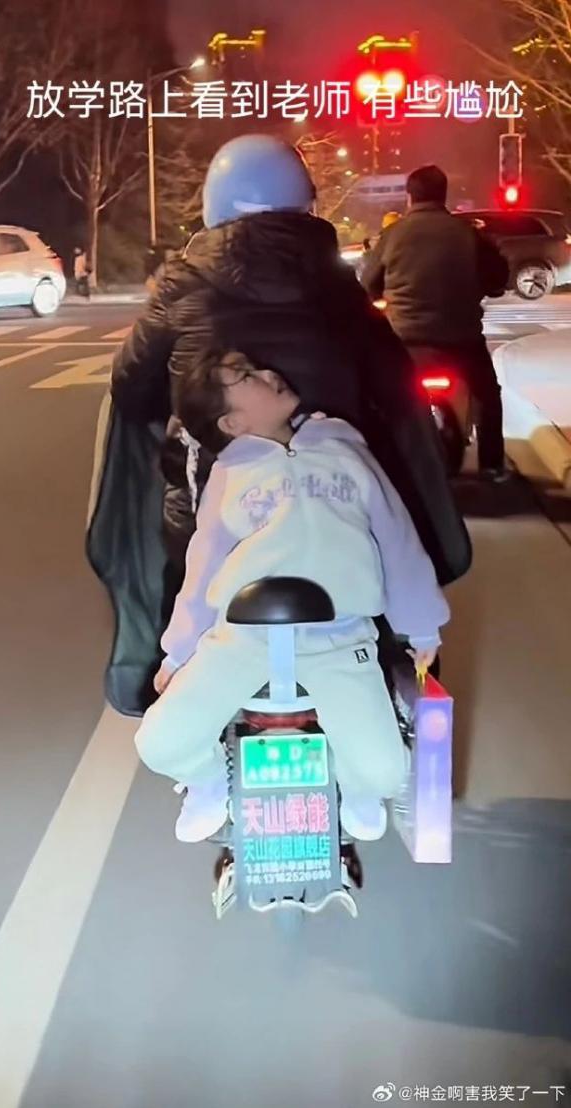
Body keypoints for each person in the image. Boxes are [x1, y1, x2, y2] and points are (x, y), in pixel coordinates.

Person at [87, 135, 470, 717]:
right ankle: (395, 675)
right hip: (335, 517)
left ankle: (174, 681)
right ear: (304, 202)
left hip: (212, 516)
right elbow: (396, 389)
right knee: (382, 544)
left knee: (187, 565)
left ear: (215, 204)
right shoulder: (339, 287)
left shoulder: (182, 285)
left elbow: (131, 388)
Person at [135, 349, 449, 843]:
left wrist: (422, 624)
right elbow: (204, 566)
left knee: (385, 773)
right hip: (241, 640)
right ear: (232, 422)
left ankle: (356, 793)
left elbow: (397, 538)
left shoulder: (346, 450)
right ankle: (209, 781)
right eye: (246, 376)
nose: (268, 373)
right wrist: (178, 652)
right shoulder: (228, 476)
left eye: (255, 367)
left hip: (341, 640)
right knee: (159, 742)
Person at [361, 164, 510, 482]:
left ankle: (383, 461)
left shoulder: (392, 235)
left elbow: (368, 283)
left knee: (379, 394)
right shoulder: (468, 234)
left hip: (406, 340)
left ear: (409, 196)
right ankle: (492, 465)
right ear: (443, 195)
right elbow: (497, 280)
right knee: (487, 394)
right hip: (462, 339)